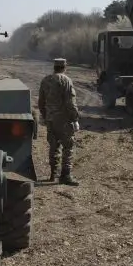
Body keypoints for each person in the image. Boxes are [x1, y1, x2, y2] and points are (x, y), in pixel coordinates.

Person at [38, 58, 80, 186]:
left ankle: (53, 174)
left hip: (51, 119)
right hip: (64, 120)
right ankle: (65, 176)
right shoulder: (65, 80)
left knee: (54, 146)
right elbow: (70, 102)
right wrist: (75, 118)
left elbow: (41, 102)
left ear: (54, 67)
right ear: (65, 66)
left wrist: (46, 116)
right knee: (68, 146)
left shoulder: (45, 80)